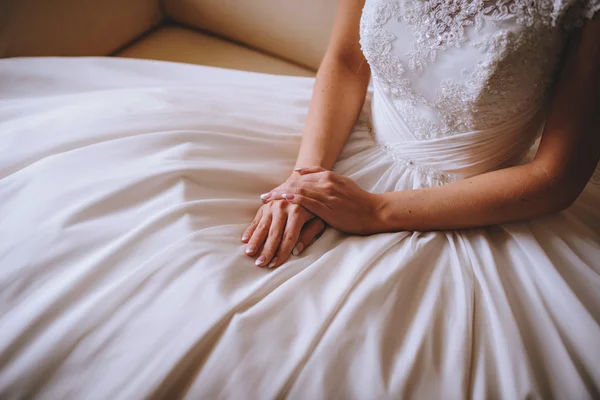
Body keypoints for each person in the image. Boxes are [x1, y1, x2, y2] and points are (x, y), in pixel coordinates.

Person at [0, 0, 599, 398]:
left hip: (477, 196)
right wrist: (306, 175)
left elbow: (555, 177)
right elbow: (344, 61)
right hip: (345, 135)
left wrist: (376, 211)